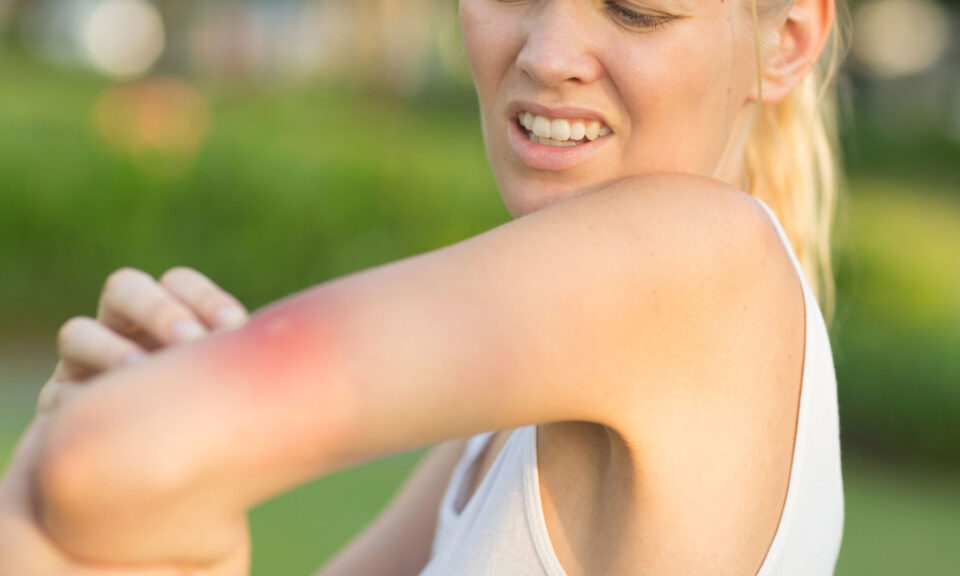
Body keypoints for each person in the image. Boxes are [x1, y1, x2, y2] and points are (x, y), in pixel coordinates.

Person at [0, 0, 847, 573]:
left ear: (786, 42)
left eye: (634, 4)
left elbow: (101, 459)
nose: (549, 54)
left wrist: (99, 463)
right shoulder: (507, 422)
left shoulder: (700, 257)